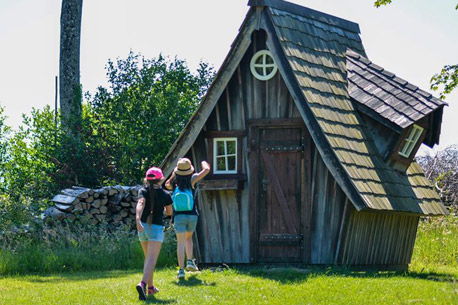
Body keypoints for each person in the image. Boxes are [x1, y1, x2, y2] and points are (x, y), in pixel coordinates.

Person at [165, 158, 210, 280]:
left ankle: (180, 270)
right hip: (192, 214)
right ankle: (190, 262)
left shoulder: (173, 183)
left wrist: (175, 172)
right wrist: (203, 162)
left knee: (180, 243)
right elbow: (206, 169)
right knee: (189, 238)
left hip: (178, 215)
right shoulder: (192, 180)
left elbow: (166, 184)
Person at [135, 167, 173, 301]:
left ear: (147, 179)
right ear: (161, 179)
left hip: (143, 227)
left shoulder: (142, 191)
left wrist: (138, 219)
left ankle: (151, 288)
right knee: (151, 259)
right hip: (156, 228)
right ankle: (143, 284)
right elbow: (169, 212)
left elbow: (140, 203)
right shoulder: (165, 194)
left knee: (148, 259)